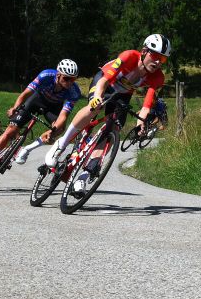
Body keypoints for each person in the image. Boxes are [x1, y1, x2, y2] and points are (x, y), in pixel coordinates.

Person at [45, 34, 170, 196]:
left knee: (114, 128)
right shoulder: (129, 56)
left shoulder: (158, 77)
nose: (158, 62)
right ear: (144, 51)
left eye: (163, 59)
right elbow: (104, 81)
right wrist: (97, 97)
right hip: (104, 82)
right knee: (94, 108)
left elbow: (146, 106)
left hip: (123, 94)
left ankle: (84, 176)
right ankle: (61, 145)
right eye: (156, 56)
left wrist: (141, 123)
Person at [0, 59, 81, 177]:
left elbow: (63, 115)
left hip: (53, 108)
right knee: (11, 130)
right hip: (37, 100)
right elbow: (25, 94)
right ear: (58, 74)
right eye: (66, 78)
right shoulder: (46, 75)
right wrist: (15, 108)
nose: (69, 82)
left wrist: (52, 130)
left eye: (73, 79)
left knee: (59, 129)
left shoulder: (74, 92)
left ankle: (27, 149)